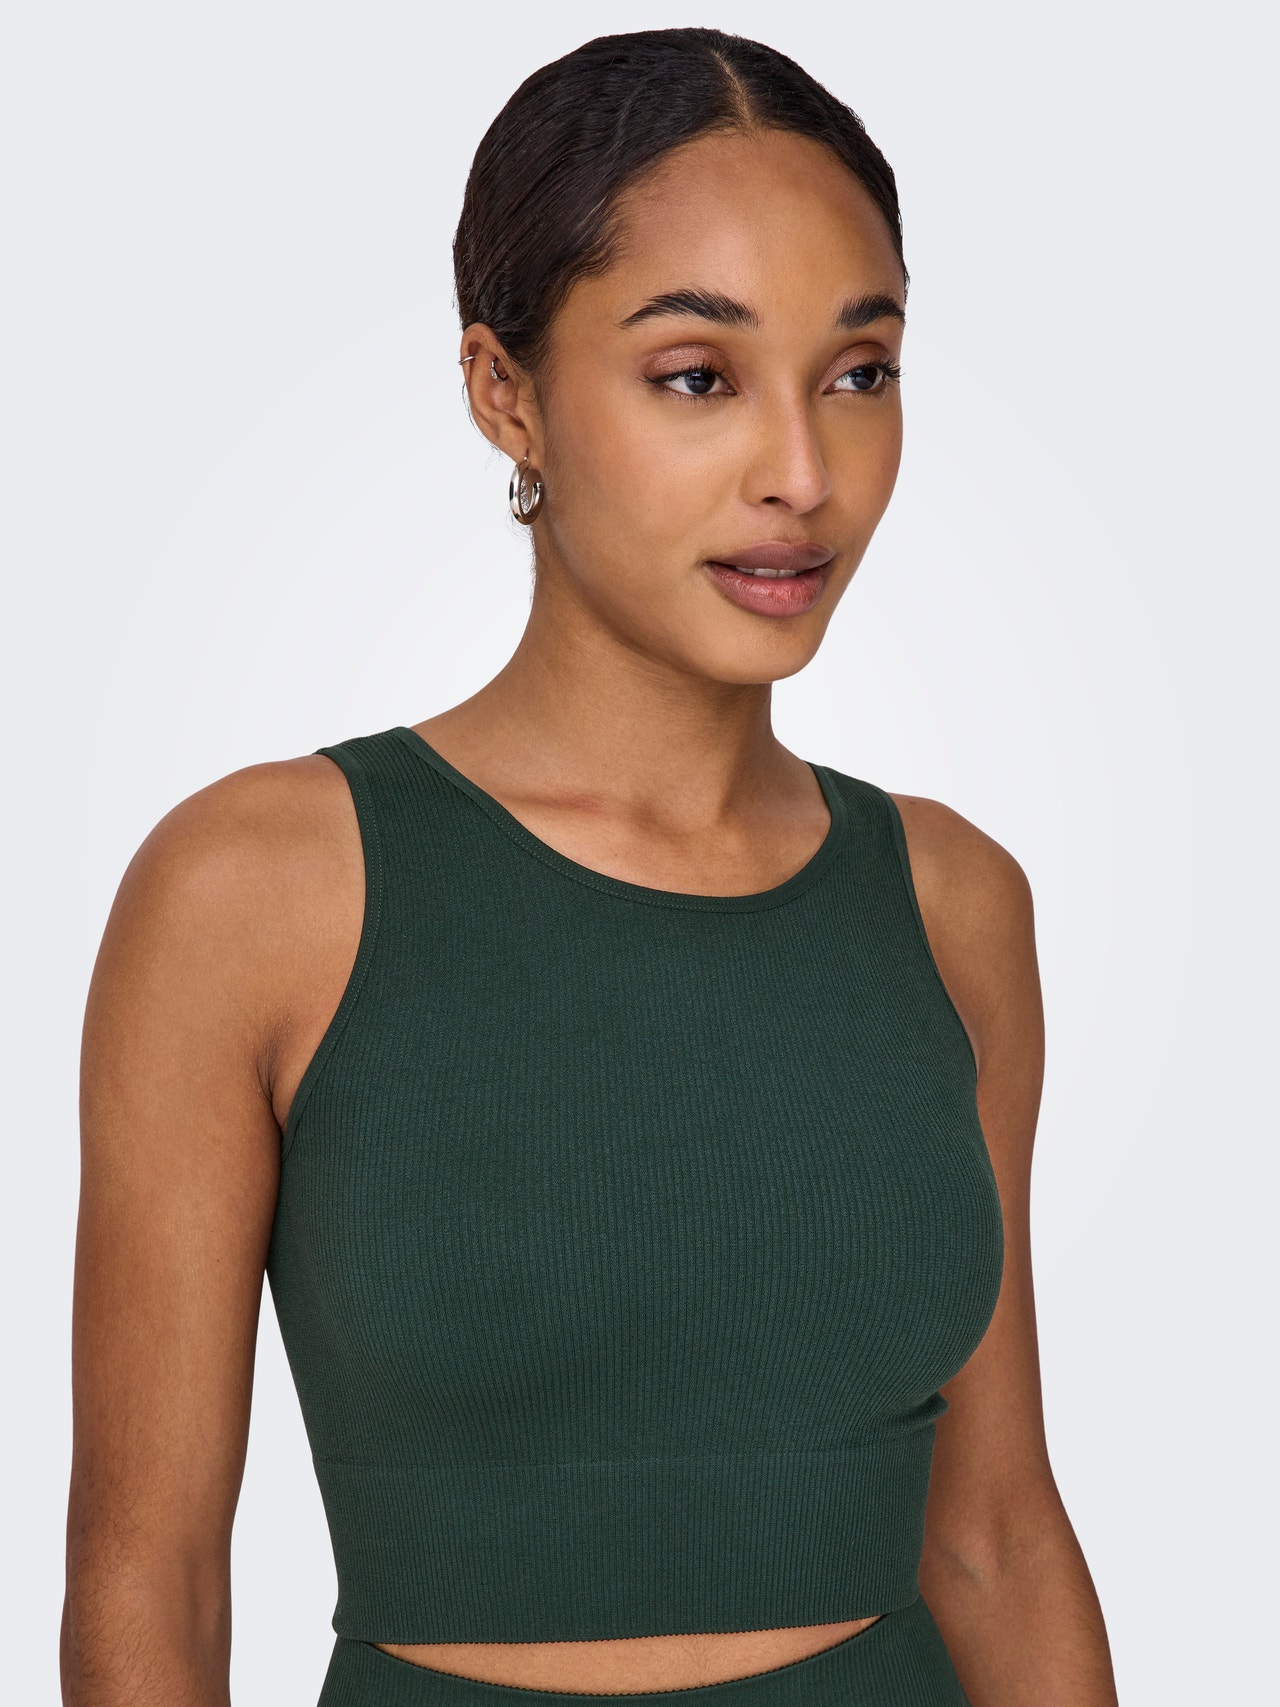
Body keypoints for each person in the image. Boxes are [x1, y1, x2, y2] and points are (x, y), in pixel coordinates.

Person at [62, 27, 1119, 1707]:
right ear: (507, 393)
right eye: (697, 375)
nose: (802, 474)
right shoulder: (256, 891)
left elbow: (996, 1534)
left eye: (859, 373)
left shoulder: (951, 904)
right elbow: (150, 1574)